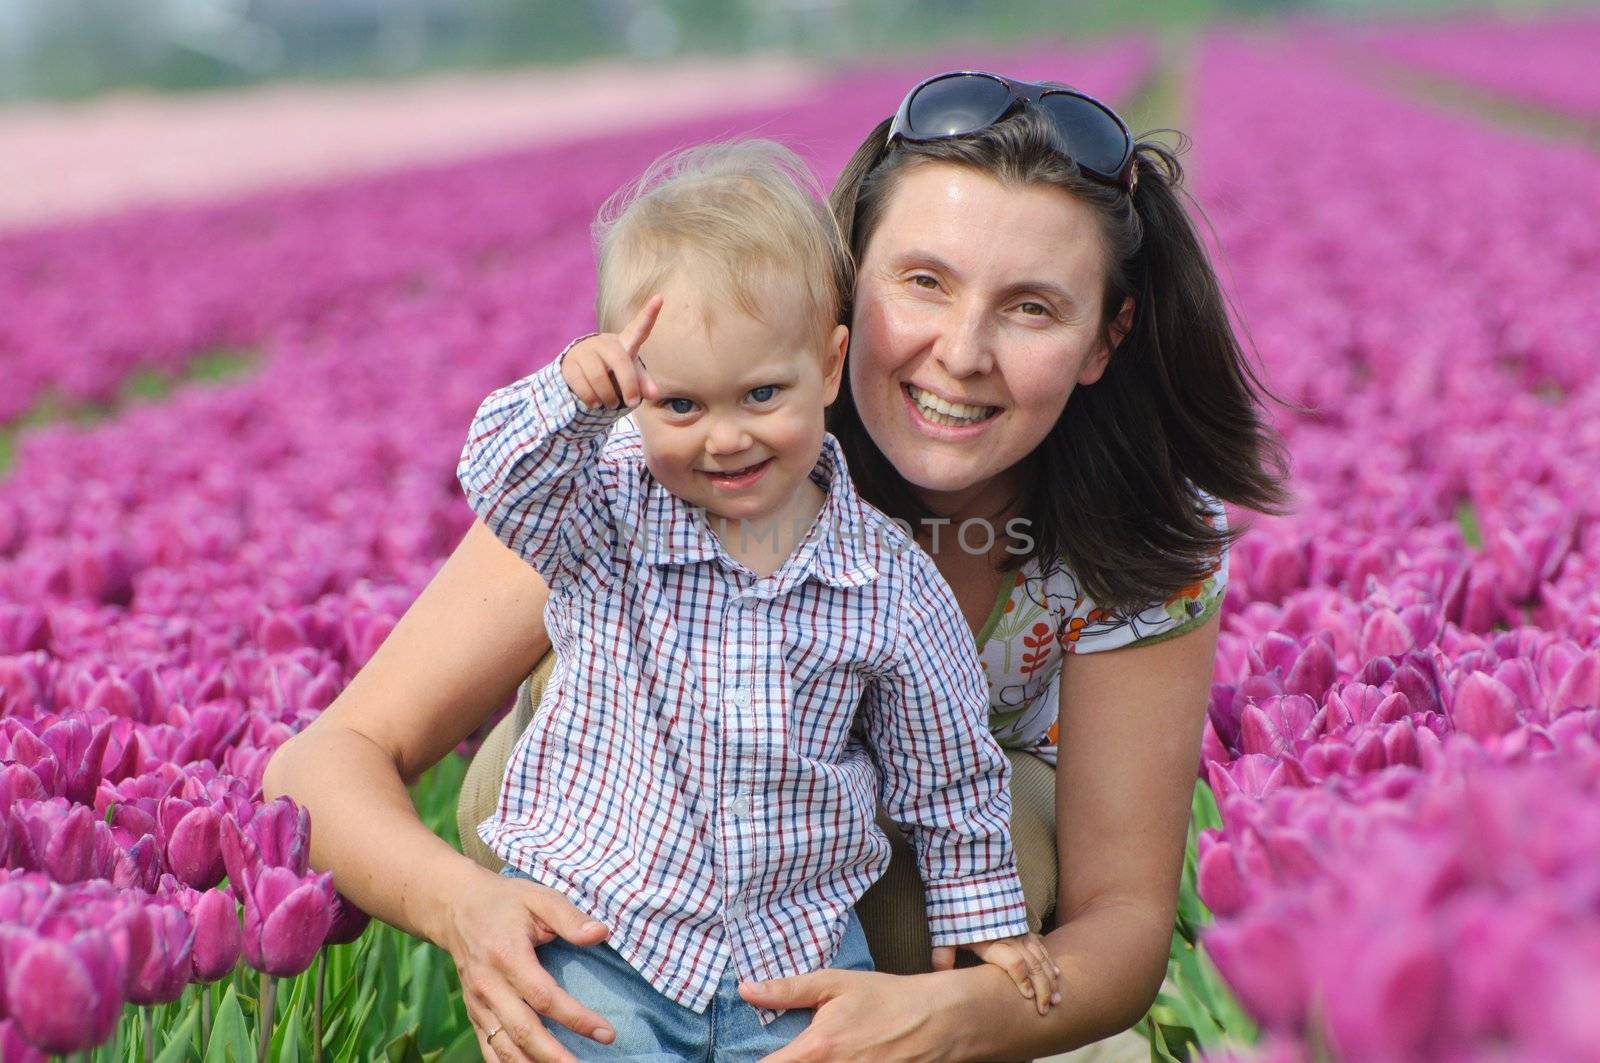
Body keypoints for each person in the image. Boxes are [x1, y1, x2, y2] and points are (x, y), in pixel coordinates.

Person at [264, 70, 1288, 1063]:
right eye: (923, 282)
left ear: (1104, 338)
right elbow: (327, 756)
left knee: (1001, 820)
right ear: (845, 294)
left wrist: (951, 1020)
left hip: (835, 948)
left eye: (1030, 308)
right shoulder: (653, 464)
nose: (962, 352)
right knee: (518, 753)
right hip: (609, 914)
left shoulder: (1135, 543)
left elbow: (1122, 922)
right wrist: (463, 910)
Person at [453, 139, 1057, 1059]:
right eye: (681, 405)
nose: (725, 438)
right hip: (601, 939)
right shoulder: (606, 508)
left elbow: (950, 767)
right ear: (633, 394)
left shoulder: (885, 579)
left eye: (762, 393)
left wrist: (986, 917)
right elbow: (495, 480)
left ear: (829, 362)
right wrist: (566, 390)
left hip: (799, 953)